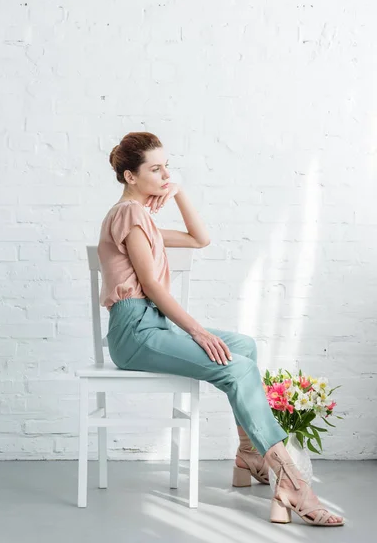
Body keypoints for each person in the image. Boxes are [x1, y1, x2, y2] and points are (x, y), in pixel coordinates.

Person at [97, 131, 344, 527]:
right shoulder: (128, 214)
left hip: (151, 326)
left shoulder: (141, 217)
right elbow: (154, 286)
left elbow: (200, 238)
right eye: (155, 169)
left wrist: (177, 193)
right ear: (130, 176)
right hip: (135, 333)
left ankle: (248, 452)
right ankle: (290, 480)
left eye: (167, 167)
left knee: (242, 345)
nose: (164, 174)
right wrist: (197, 331)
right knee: (238, 366)